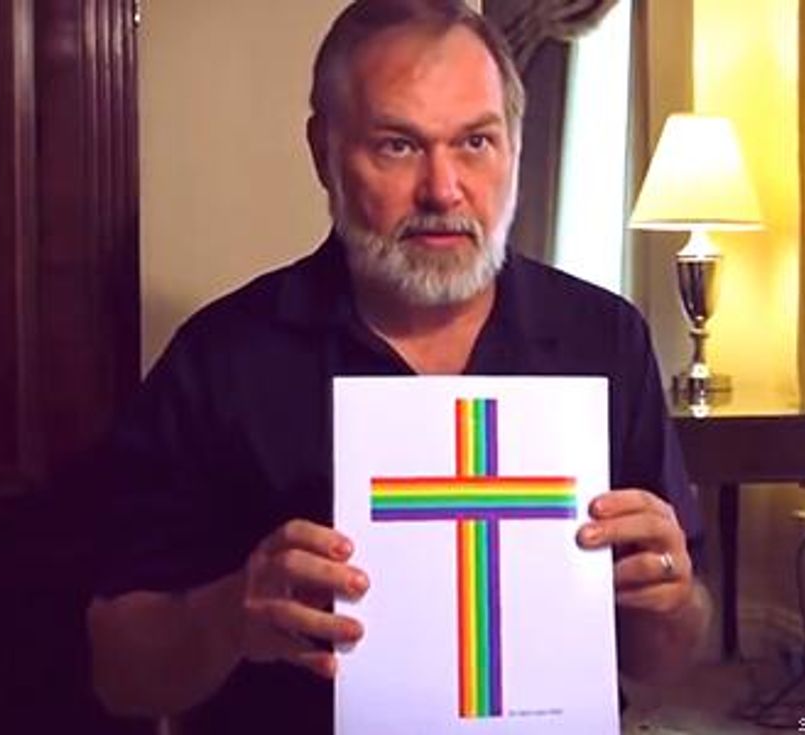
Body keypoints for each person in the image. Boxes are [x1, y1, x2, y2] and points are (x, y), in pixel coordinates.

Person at [87, 0, 712, 731]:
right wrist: (229, 614)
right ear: (323, 152)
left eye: (475, 141)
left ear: (514, 146)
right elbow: (119, 674)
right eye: (397, 145)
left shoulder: (606, 339)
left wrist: (669, 601)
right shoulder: (220, 359)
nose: (442, 189)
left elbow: (666, 655)